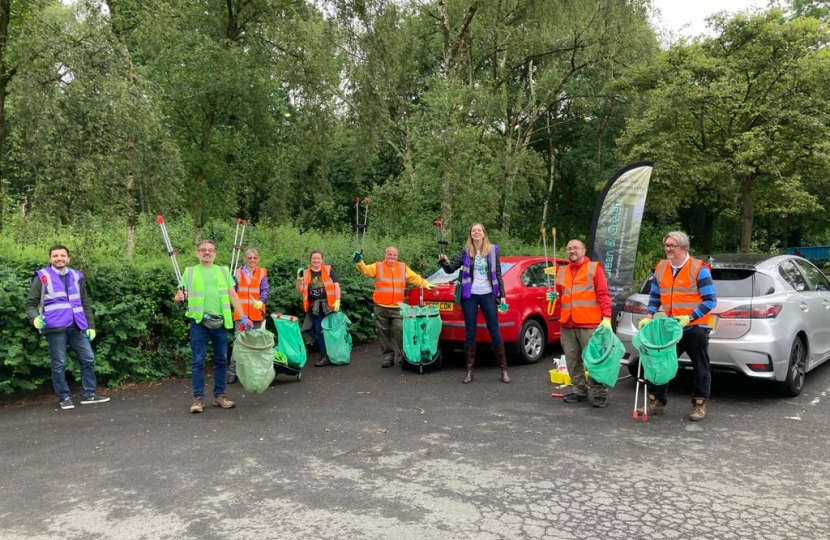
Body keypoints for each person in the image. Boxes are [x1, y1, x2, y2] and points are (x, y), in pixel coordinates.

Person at [638, 231, 717, 421]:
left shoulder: (699, 269)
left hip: (695, 327)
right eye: (666, 245)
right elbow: (655, 296)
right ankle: (657, 401)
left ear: (684, 248)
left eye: (672, 246)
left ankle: (699, 404)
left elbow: (710, 300)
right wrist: (649, 315)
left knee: (700, 366)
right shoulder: (662, 267)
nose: (667, 249)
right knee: (661, 363)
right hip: (670, 327)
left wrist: (689, 317)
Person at [24, 245, 111, 410]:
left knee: (88, 358)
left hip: (77, 326)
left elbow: (84, 302)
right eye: (55, 256)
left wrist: (90, 326)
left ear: (68, 258)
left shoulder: (77, 276)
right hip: (54, 328)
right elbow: (30, 304)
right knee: (59, 363)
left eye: (62, 255)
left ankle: (89, 394)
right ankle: (64, 397)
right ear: (50, 258)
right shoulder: (42, 277)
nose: (59, 258)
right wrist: (34, 318)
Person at [174, 240, 250, 414]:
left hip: (220, 323)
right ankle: (198, 399)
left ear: (215, 253)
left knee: (222, 360)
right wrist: (178, 298)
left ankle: (219, 396)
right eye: (203, 250)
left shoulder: (223, 271)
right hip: (199, 323)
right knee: (198, 361)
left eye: (210, 250)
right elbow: (179, 298)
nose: (206, 253)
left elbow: (233, 296)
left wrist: (243, 316)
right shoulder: (189, 272)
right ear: (197, 253)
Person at [438, 223, 511, 384]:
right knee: (470, 332)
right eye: (473, 230)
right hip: (469, 295)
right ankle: (469, 371)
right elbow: (451, 269)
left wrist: (503, 295)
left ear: (484, 234)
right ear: (471, 234)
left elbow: (498, 274)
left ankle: (504, 370)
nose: (476, 232)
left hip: (488, 294)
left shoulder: (492, 251)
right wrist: (444, 262)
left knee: (494, 331)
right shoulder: (466, 251)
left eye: (479, 230)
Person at [549, 239, 613, 407]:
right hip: (567, 324)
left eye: (576, 248)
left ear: (584, 250)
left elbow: (603, 294)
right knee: (572, 359)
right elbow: (562, 296)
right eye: (569, 248)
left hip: (589, 324)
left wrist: (607, 317)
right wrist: (554, 299)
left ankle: (599, 393)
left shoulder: (594, 268)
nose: (572, 251)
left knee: (593, 360)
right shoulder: (561, 271)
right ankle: (579, 391)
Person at [354, 246, 432, 368]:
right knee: (383, 332)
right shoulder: (378, 266)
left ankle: (403, 357)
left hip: (397, 307)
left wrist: (425, 283)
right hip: (381, 306)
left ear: (397, 256)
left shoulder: (402, 267)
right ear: (385, 255)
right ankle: (387, 356)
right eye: (390, 254)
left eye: (394, 255)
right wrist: (359, 262)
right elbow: (365, 270)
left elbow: (414, 277)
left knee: (400, 329)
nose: (392, 257)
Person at [228, 248, 269, 383]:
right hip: (241, 314)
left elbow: (265, 290)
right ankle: (233, 372)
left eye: (254, 258)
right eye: (249, 258)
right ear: (245, 259)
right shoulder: (236, 273)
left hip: (257, 313)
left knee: (255, 344)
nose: (252, 260)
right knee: (239, 343)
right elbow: (232, 292)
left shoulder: (262, 273)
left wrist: (261, 301)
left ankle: (253, 371)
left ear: (258, 259)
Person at [296, 250, 341, 367]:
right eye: (314, 258)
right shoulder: (305, 273)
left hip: (329, 305)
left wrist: (338, 300)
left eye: (318, 258)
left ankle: (335, 354)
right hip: (315, 307)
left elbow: (336, 286)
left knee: (331, 331)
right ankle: (324, 355)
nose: (316, 261)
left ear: (322, 260)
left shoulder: (328, 270)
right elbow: (299, 290)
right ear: (310, 260)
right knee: (319, 331)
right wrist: (298, 279)